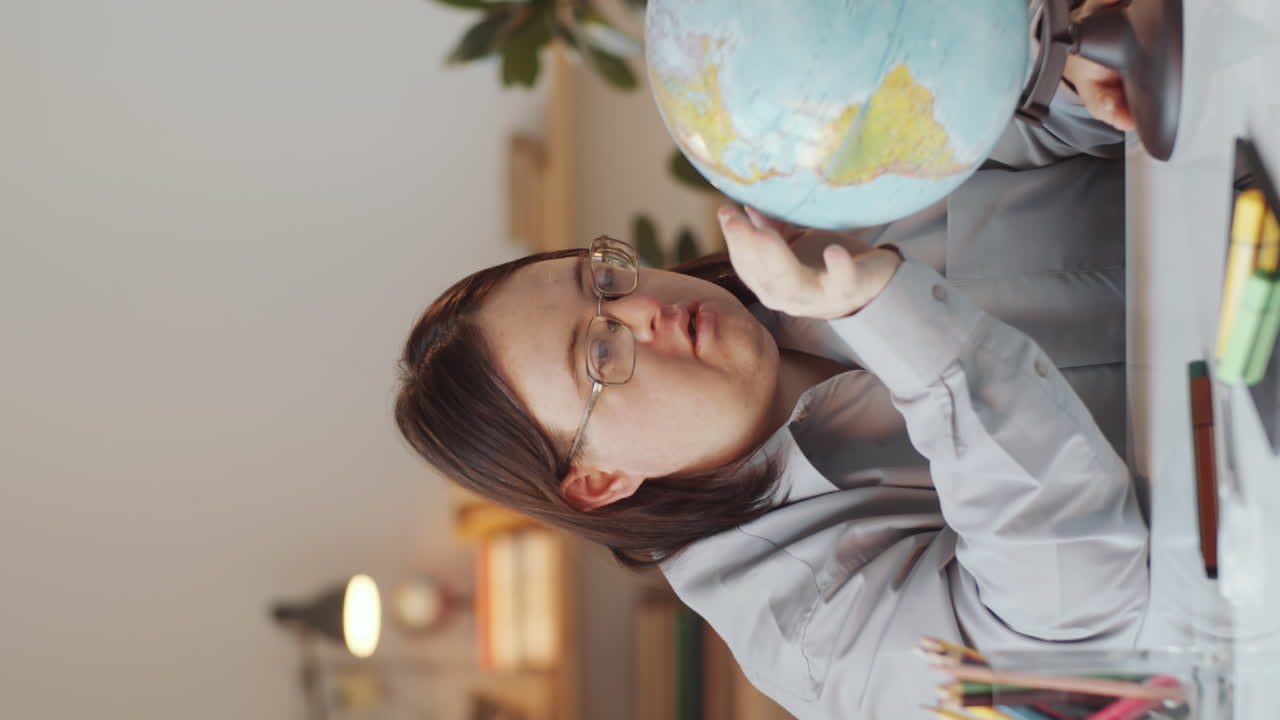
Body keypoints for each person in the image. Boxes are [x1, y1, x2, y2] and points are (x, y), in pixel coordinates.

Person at [394, 13, 1147, 720]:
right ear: (599, 480)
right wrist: (890, 317)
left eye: (601, 281)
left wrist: (1072, 72)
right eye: (598, 353)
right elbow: (1077, 634)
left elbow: (1044, 123)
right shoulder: (806, 631)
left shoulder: (817, 192)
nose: (640, 311)